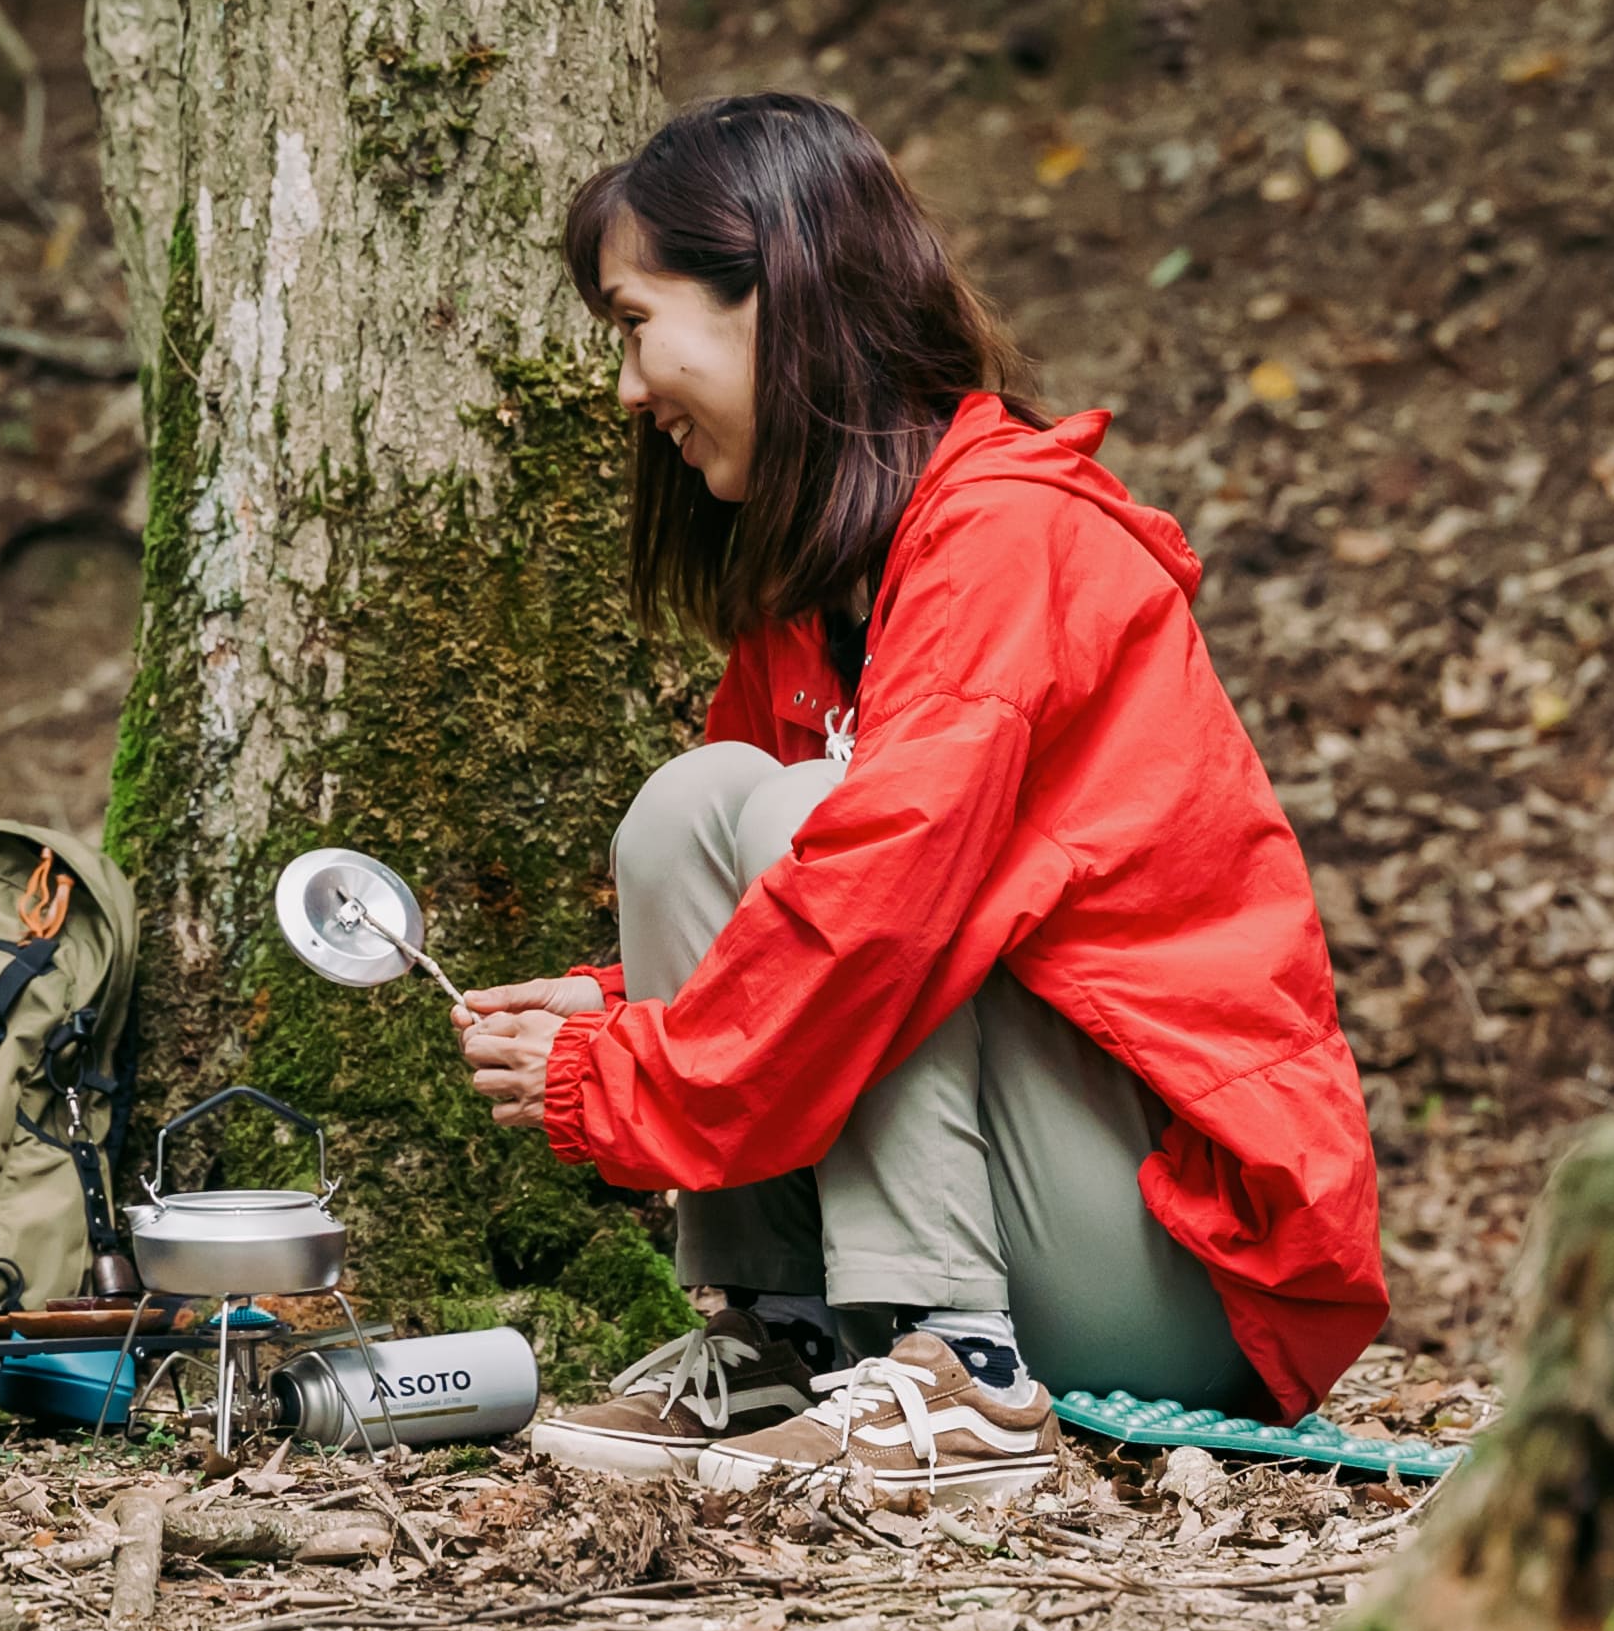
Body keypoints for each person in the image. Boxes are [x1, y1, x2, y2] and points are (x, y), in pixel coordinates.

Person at [465, 93, 1389, 1504]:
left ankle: (957, 1374)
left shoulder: (1008, 540)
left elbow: (882, 898)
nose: (629, 389)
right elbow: (798, 910)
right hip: (1037, 1207)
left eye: (636, 322)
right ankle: (779, 1335)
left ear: (770, 294)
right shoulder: (819, 593)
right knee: (698, 801)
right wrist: (609, 1006)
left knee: (806, 823)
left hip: (1188, 1267)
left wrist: (628, 1079)